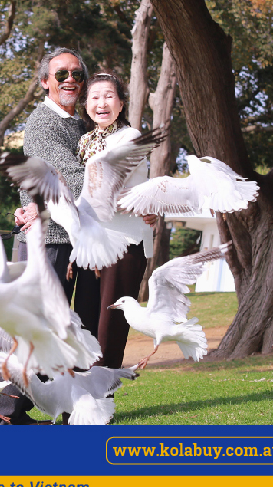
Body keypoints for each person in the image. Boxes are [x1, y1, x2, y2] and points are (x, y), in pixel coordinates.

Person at [0, 47, 97, 425]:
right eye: (61, 74)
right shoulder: (43, 124)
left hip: (73, 239)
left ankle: (59, 410)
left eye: (77, 74)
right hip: (47, 242)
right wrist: (113, 190)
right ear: (45, 82)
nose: (70, 80)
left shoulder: (80, 125)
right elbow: (72, 179)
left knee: (68, 331)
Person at [76, 71, 156, 369]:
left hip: (124, 241)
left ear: (121, 104)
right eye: (95, 97)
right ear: (86, 105)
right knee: (85, 318)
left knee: (110, 324)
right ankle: (81, 390)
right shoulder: (85, 142)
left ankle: (102, 390)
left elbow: (109, 188)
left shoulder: (129, 137)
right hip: (91, 241)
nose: (102, 103)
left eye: (109, 96)